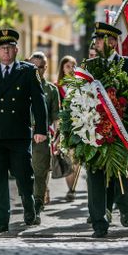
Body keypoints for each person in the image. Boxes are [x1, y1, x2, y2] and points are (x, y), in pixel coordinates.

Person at [0, 29, 47, 233]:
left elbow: (39, 102)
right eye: (2, 48)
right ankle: (1, 218)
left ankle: (29, 205)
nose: (5, 51)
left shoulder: (28, 70)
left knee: (23, 175)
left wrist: (41, 129)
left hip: (18, 134)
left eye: (9, 47)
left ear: (16, 49)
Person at [83, 22, 128, 237]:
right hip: (94, 129)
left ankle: (123, 205)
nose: (97, 43)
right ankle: (99, 222)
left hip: (122, 128)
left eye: (101, 39)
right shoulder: (88, 66)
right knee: (95, 175)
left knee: (123, 173)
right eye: (96, 40)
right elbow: (78, 96)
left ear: (113, 42)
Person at [28, 51, 60, 225]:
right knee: (24, 174)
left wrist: (57, 139)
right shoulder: (22, 86)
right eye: (33, 67)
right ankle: (28, 204)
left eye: (40, 67)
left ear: (45, 68)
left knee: (40, 173)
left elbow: (56, 117)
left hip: (42, 138)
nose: (37, 70)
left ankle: (37, 207)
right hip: (23, 136)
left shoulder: (50, 90)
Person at [56, 55, 79, 203]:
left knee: (76, 159)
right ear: (62, 69)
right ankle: (70, 189)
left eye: (73, 66)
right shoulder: (57, 87)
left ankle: (73, 188)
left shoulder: (80, 85)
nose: (70, 69)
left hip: (79, 126)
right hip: (64, 128)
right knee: (68, 159)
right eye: (67, 67)